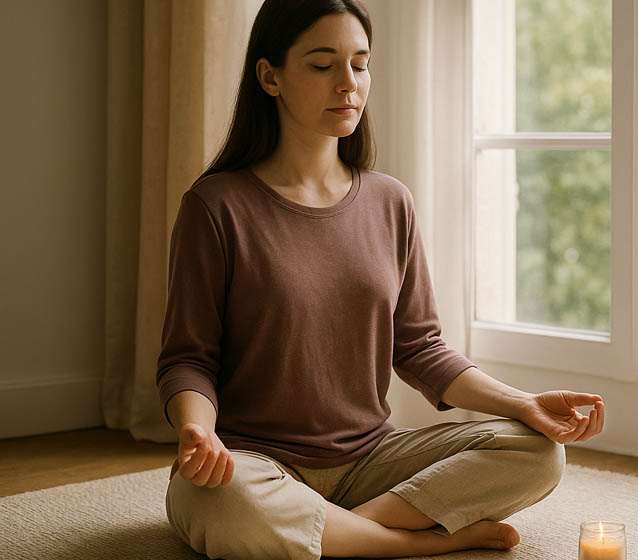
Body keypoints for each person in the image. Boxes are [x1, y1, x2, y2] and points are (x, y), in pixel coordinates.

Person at [157, 1, 606, 558]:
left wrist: (522, 404)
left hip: (372, 462)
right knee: (220, 502)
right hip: (253, 463)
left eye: (360, 64)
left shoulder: (390, 201)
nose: (348, 84)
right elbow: (188, 358)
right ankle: (412, 543)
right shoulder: (216, 205)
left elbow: (421, 348)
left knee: (537, 453)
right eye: (323, 66)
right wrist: (197, 432)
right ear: (270, 76)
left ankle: (336, 533)